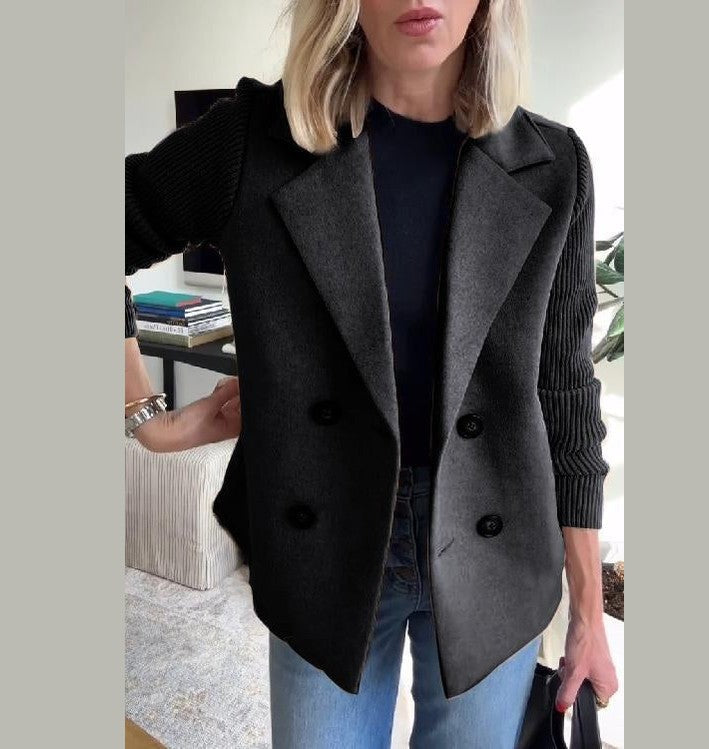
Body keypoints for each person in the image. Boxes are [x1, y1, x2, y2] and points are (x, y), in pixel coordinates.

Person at [125, 1, 619, 746]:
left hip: (498, 545)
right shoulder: (251, 143)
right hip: (326, 544)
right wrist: (147, 418)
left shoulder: (554, 165)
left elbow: (565, 390)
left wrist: (588, 610)